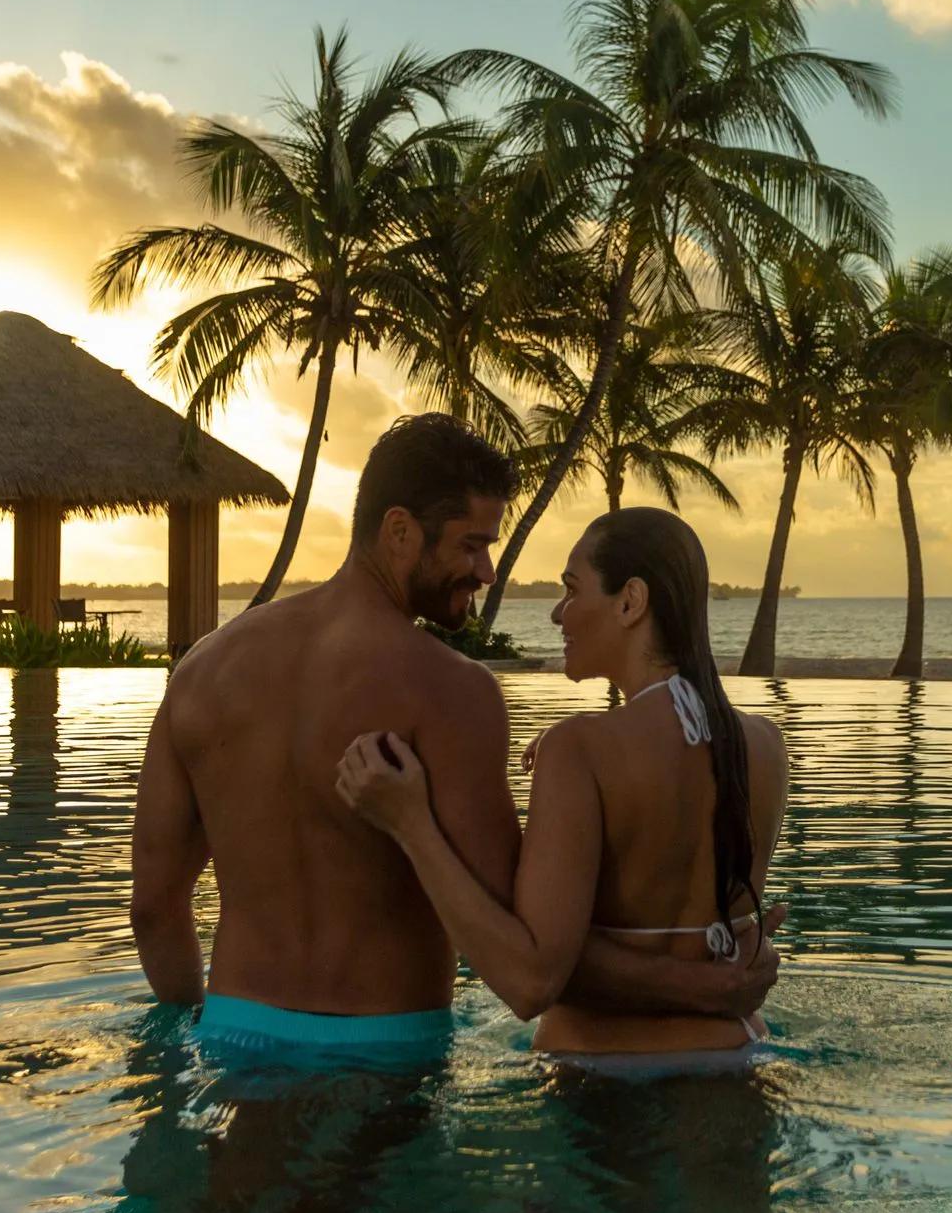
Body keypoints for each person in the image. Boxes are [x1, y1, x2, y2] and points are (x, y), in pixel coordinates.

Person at [131, 415, 782, 1065]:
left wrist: (197, 1023)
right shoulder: (449, 691)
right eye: (471, 545)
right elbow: (528, 958)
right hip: (387, 1056)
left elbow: (155, 910)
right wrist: (705, 985)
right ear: (399, 531)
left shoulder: (198, 674)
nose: (487, 570)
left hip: (230, 1035)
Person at [337, 506, 789, 1059]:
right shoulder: (765, 746)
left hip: (602, 1077)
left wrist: (410, 824)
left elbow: (530, 981)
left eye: (572, 591)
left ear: (630, 602)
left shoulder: (580, 751)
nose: (557, 613)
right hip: (738, 1056)